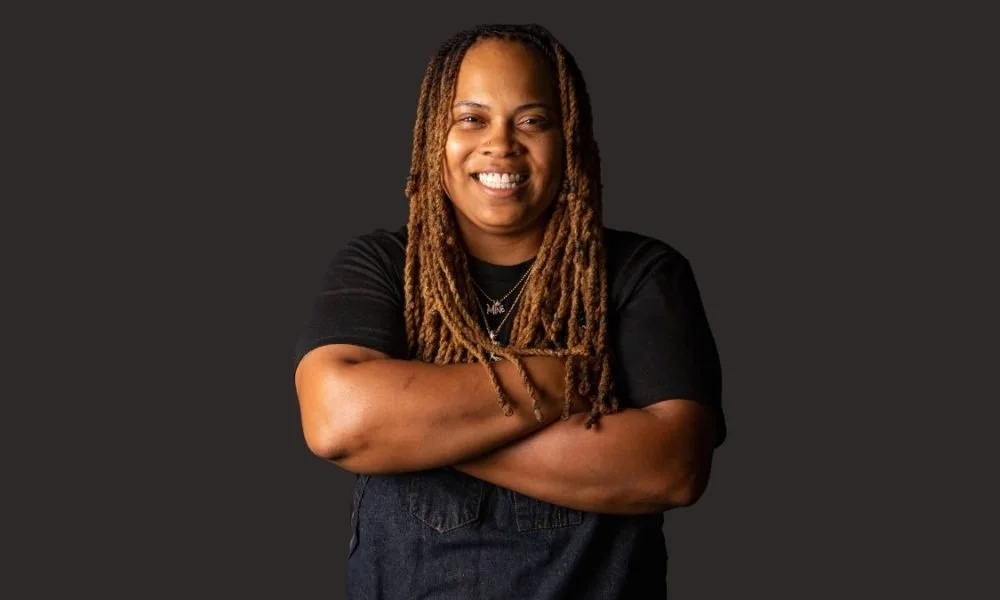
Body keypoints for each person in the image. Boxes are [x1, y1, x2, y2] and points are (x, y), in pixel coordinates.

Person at [293, 23, 726, 599]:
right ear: (432, 138)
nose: (501, 144)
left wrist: (417, 433)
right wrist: (559, 380)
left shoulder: (641, 273)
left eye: (532, 120)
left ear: (567, 136)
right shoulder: (380, 264)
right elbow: (339, 423)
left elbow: (671, 467)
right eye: (471, 119)